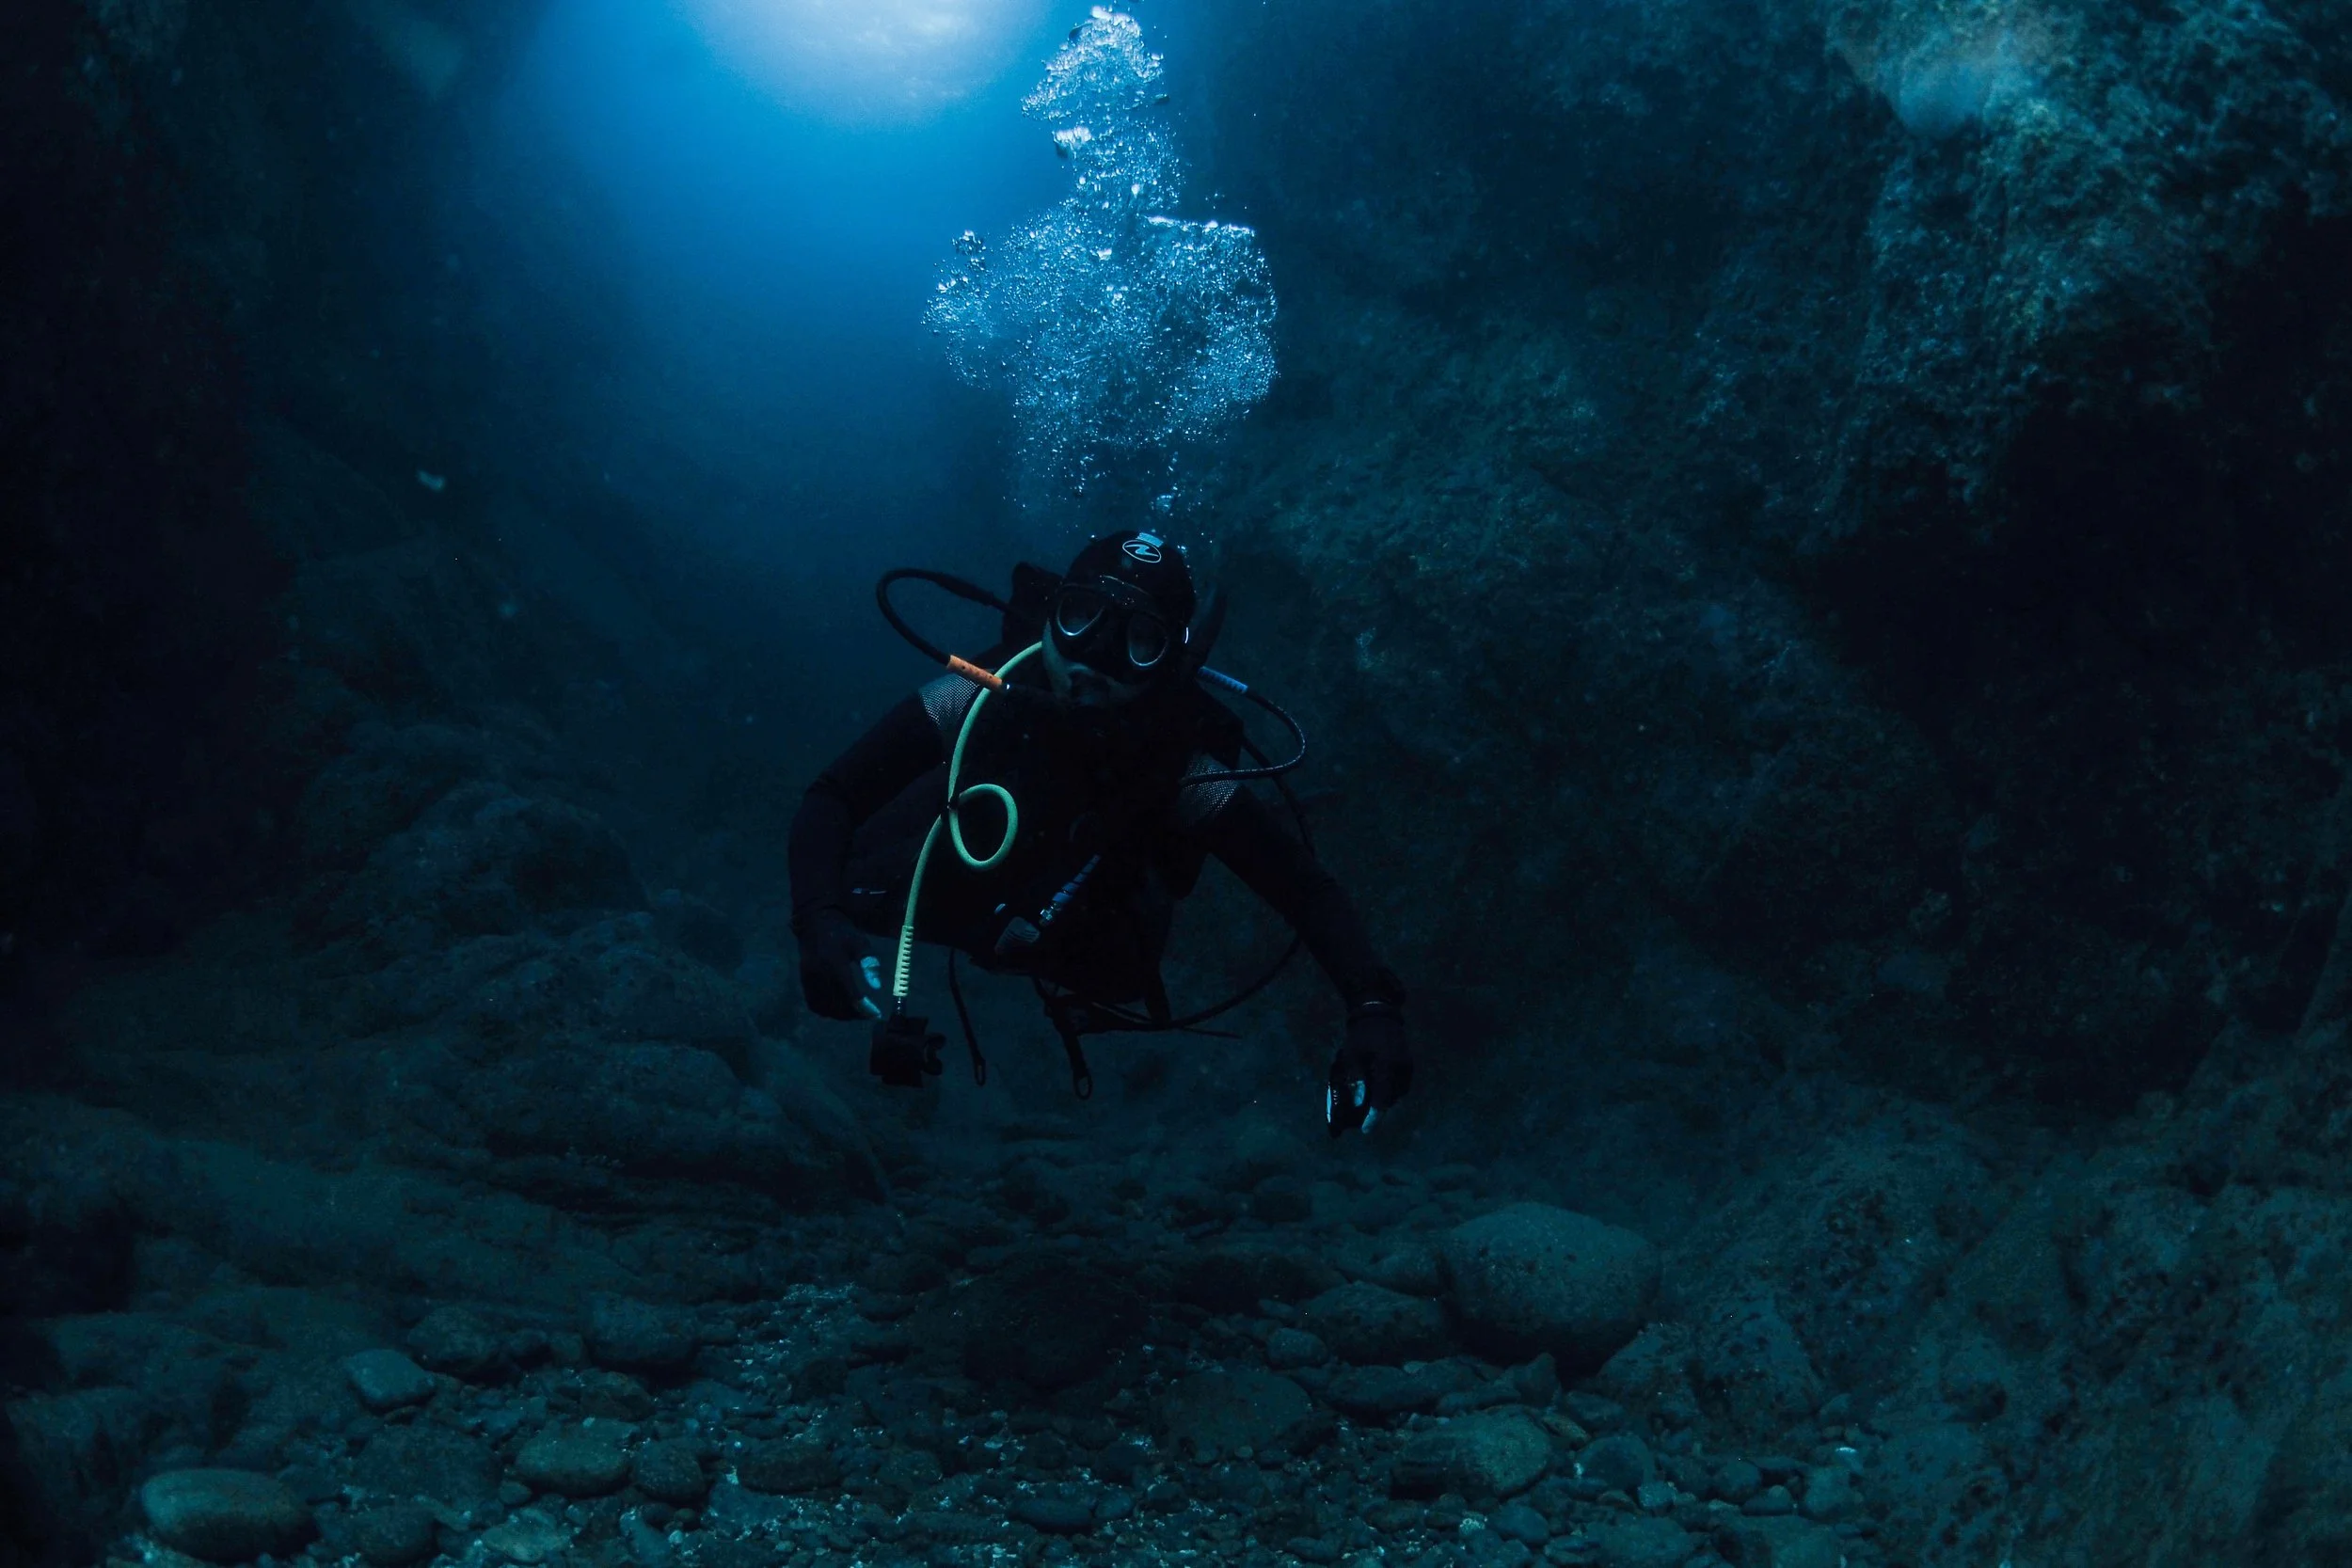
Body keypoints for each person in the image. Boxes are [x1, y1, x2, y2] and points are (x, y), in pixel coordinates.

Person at [788, 530, 1412, 1134]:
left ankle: (1037, 942)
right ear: (1053, 611)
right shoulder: (981, 692)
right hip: (968, 869)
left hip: (1089, 916)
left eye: (1140, 639)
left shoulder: (1179, 763)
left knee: (1119, 966)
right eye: (1082, 615)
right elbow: (835, 794)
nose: (1096, 658)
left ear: (1169, 659)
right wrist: (818, 920)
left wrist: (1374, 1006)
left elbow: (1303, 887)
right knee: (855, 879)